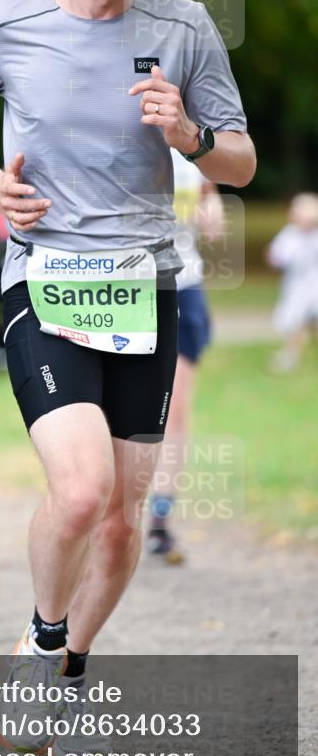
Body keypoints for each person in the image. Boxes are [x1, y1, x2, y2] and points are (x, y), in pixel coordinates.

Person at [0, 0, 255, 756]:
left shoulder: (185, 26)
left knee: (121, 520)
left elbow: (240, 161)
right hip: (46, 274)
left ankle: (70, 667)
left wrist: (188, 132)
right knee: (79, 493)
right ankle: (38, 642)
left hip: (145, 285)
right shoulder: (8, 21)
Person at [147, 149, 225, 564]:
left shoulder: (192, 143)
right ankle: (105, 514)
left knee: (174, 413)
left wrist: (212, 208)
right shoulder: (115, 133)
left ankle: (160, 521)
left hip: (184, 286)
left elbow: (208, 189)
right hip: (126, 291)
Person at [266, 192, 318, 372]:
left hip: (315, 285)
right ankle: (292, 354)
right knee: (294, 322)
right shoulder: (289, 235)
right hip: (297, 287)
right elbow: (277, 255)